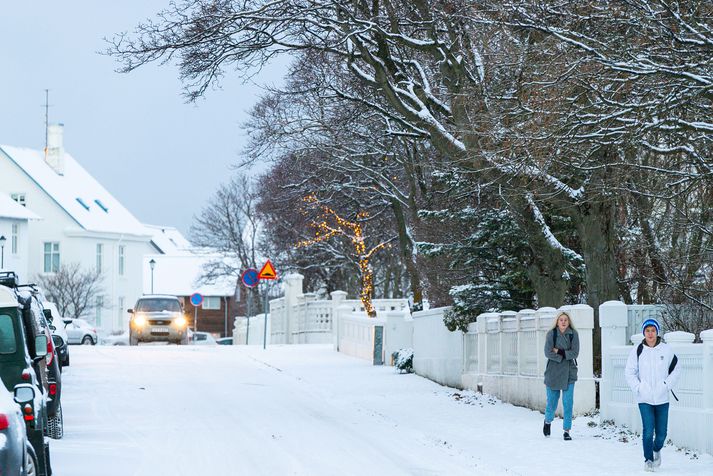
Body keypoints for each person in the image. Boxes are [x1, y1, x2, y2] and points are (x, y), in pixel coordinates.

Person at [625, 318, 680, 472]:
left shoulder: (666, 350)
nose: (650, 333)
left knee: (662, 434)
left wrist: (666, 385)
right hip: (644, 399)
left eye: (653, 330)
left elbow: (676, 369)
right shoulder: (637, 350)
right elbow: (629, 372)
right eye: (647, 331)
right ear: (644, 332)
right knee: (648, 431)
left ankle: (656, 449)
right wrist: (639, 387)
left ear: (657, 332)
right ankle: (648, 459)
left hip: (662, 398)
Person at [543, 311, 579, 440]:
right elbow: (548, 352)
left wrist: (559, 351)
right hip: (553, 371)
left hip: (569, 372)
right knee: (552, 402)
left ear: (569, 322)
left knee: (568, 403)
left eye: (566, 320)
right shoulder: (551, 334)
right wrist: (564, 355)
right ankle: (547, 421)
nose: (563, 322)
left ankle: (567, 431)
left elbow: (575, 353)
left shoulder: (573, 334)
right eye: (561, 320)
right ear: (557, 322)